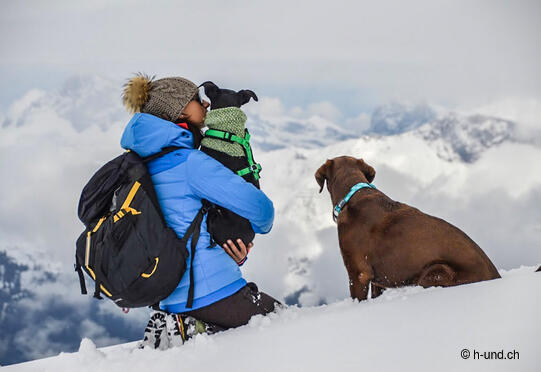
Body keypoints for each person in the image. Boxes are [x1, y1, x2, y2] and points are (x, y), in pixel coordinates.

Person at [120, 74, 280, 348]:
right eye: (196, 99)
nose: (206, 103)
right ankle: (196, 327)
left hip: (166, 299)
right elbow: (263, 213)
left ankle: (189, 326)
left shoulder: (135, 167)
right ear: (180, 110)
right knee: (286, 323)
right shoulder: (192, 164)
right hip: (215, 295)